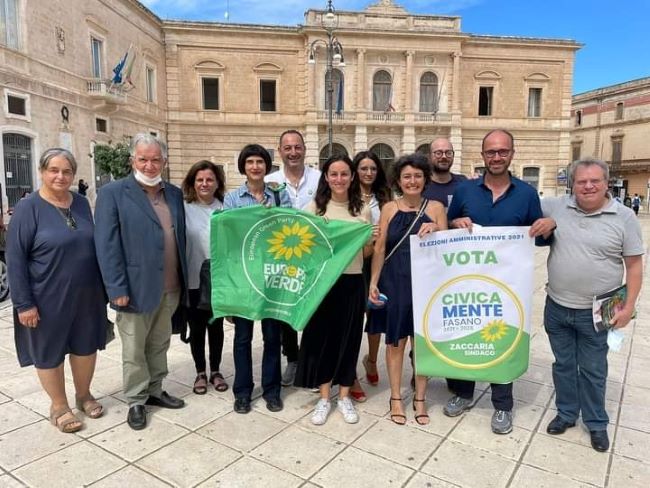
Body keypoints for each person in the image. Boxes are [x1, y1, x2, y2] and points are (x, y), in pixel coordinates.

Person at [445, 129, 555, 434]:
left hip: (508, 286)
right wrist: (455, 223)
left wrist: (547, 226)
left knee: (503, 340)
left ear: (511, 154)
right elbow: (449, 226)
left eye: (502, 151)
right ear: (482, 156)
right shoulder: (465, 191)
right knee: (467, 335)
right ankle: (463, 393)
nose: (496, 157)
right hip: (469, 283)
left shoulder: (527, 194)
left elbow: (538, 237)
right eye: (491, 152)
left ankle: (503, 405)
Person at [541, 158, 643, 452]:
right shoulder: (557, 206)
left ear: (606, 182)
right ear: (572, 183)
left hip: (598, 311)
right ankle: (567, 413)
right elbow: (518, 202)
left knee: (593, 368)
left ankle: (596, 422)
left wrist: (629, 306)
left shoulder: (624, 217)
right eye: (581, 181)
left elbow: (634, 266)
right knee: (563, 365)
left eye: (594, 181)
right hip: (557, 306)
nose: (587, 186)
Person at [6, 148, 107, 433]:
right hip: (46, 297)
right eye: (54, 170)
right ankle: (59, 405)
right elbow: (15, 258)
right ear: (42, 171)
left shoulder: (81, 203)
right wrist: (24, 303)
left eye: (66, 171)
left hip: (87, 295)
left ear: (74, 175)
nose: (60, 176)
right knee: (49, 351)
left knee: (86, 346)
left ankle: (84, 394)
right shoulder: (28, 208)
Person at [95, 134, 188, 431]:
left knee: (159, 343)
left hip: (170, 285)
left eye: (155, 159)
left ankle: (156, 389)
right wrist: (116, 288)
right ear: (132, 160)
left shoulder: (172, 193)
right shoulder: (113, 193)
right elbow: (107, 245)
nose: (149, 165)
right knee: (134, 348)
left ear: (164, 161)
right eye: (143, 159)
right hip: (133, 287)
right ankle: (136, 399)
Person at [295, 155, 375, 425]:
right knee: (322, 340)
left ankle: (344, 396)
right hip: (323, 284)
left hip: (352, 283)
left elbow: (366, 253)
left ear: (352, 177)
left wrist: (369, 241)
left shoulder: (362, 210)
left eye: (344, 174)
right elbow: (304, 249)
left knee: (349, 340)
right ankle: (324, 398)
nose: (339, 179)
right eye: (333, 174)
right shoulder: (314, 209)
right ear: (326, 178)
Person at [368, 153, 447, 426]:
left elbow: (448, 246)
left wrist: (436, 228)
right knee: (395, 342)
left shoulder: (436, 207)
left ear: (425, 179)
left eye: (417, 176)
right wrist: (373, 282)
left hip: (426, 284)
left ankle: (421, 398)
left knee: (422, 343)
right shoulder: (389, 208)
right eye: (406, 177)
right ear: (398, 181)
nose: (412, 181)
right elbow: (379, 249)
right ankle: (395, 397)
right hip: (394, 281)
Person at [224, 144, 292, 414]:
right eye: (250, 162)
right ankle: (242, 392)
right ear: (243, 166)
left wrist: (269, 213)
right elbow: (229, 234)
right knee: (242, 337)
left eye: (260, 162)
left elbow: (288, 227)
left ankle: (272, 390)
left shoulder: (278, 195)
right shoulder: (233, 198)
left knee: (272, 336)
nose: (255, 166)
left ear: (267, 166)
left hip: (272, 275)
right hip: (243, 276)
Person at [265, 130, 321, 387]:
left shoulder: (320, 179)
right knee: (285, 309)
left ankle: (312, 359)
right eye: (287, 148)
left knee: (314, 307)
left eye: (297, 147)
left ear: (304, 149)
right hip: (282, 256)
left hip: (313, 255)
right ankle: (293, 358)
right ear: (280, 151)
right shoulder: (270, 180)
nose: (293, 152)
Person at [182, 161, 228, 395]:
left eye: (209, 179)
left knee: (216, 327)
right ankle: (200, 372)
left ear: (217, 183)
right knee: (197, 328)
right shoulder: (183, 208)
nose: (204, 184)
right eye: (199, 180)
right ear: (193, 183)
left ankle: (216, 370)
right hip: (192, 278)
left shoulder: (226, 208)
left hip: (218, 279)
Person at [350, 150, 391, 400]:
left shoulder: (385, 198)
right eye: (364, 168)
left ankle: (372, 360)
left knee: (376, 315)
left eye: (373, 168)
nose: (368, 173)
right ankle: (350, 373)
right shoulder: (348, 197)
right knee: (354, 321)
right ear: (356, 171)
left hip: (380, 261)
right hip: (354, 262)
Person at [422, 137, 467, 208]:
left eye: (448, 153)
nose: (444, 157)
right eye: (438, 153)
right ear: (429, 156)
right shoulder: (420, 185)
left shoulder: (464, 183)